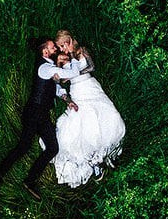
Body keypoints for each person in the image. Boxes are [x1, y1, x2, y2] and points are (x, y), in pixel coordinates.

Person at [0, 37, 67, 195]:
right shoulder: (44, 67)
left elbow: (56, 88)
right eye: (53, 48)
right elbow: (68, 73)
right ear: (45, 51)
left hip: (42, 115)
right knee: (22, 147)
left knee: (52, 148)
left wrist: (67, 99)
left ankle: (30, 181)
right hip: (33, 113)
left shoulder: (50, 67)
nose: (56, 50)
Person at [50, 33, 124, 187]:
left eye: (63, 45)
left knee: (110, 114)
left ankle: (108, 151)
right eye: (59, 47)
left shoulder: (81, 50)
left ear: (69, 41)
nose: (62, 49)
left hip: (91, 86)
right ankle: (94, 162)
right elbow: (60, 79)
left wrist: (75, 70)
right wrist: (65, 73)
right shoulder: (62, 59)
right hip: (78, 91)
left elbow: (91, 66)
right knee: (87, 122)